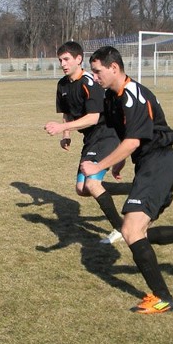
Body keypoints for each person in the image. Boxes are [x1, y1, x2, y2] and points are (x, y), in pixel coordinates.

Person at [81, 46, 173, 314]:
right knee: (139, 234)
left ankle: (163, 298)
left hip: (159, 162)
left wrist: (98, 166)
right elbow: (127, 136)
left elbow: (134, 140)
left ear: (114, 68)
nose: (94, 76)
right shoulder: (112, 97)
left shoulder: (132, 96)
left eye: (97, 71)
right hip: (149, 164)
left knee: (131, 231)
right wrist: (122, 159)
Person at [44, 41, 124, 244]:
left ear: (79, 59)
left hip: (107, 134)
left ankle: (121, 228)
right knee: (82, 189)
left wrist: (62, 128)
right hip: (91, 139)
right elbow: (67, 113)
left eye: (66, 59)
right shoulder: (62, 85)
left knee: (91, 182)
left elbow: (94, 117)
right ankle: (136, 188)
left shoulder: (90, 82)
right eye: (60, 60)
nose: (62, 63)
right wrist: (66, 134)